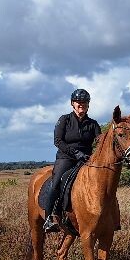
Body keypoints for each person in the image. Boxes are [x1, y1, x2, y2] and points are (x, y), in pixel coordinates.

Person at [42, 88, 101, 232]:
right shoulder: (64, 120)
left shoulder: (93, 124)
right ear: (72, 104)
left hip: (86, 159)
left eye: (84, 103)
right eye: (78, 103)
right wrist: (75, 153)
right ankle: (49, 217)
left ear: (88, 105)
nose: (81, 105)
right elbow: (58, 141)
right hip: (66, 158)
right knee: (56, 183)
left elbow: (100, 142)